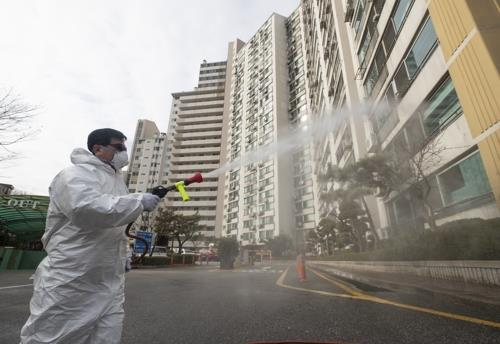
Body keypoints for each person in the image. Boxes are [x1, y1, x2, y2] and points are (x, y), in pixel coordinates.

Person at [20, 128, 161, 344]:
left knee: (106, 338)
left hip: (109, 282)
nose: (124, 152)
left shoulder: (118, 182)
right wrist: (138, 201)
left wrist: (123, 254)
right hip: (72, 278)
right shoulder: (74, 174)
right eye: (119, 146)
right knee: (52, 337)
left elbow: (115, 227)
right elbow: (85, 209)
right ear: (98, 148)